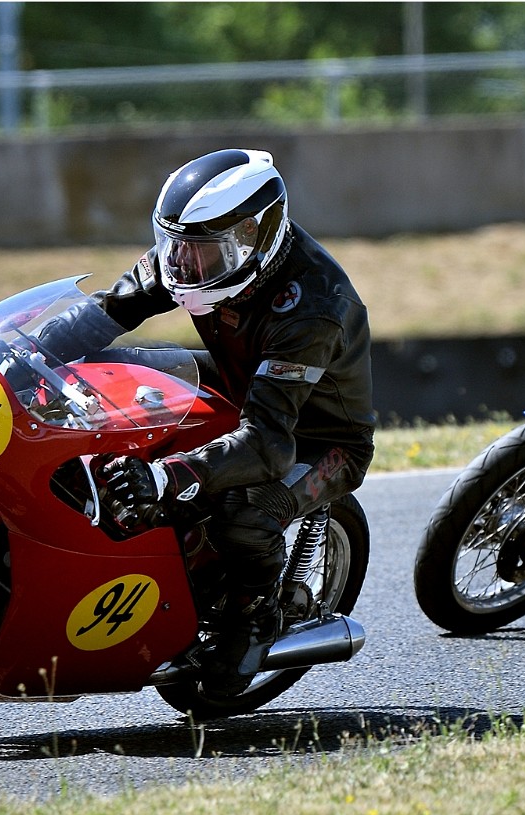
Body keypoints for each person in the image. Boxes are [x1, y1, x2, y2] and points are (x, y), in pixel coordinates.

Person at [57, 148, 376, 692]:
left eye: (202, 254)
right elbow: (112, 308)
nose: (185, 267)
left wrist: (167, 475)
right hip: (240, 382)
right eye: (176, 248)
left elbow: (268, 442)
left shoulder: (313, 308)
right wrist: (34, 350)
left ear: (255, 238)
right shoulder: (193, 254)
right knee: (116, 373)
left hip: (317, 438)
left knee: (242, 514)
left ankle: (255, 615)